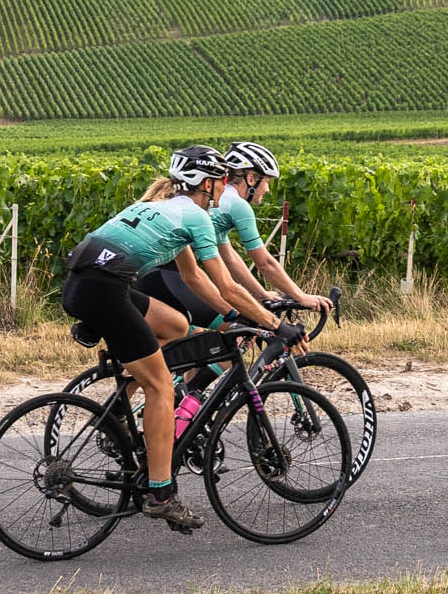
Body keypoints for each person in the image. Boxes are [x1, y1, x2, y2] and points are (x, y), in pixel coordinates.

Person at [62, 147, 292, 532]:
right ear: (207, 183)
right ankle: (161, 494)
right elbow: (227, 285)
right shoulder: (195, 216)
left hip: (86, 284)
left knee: (174, 325)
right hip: (104, 292)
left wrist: (236, 317)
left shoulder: (169, 207)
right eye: (220, 179)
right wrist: (272, 324)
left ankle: (118, 412)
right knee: (161, 388)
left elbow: (194, 279)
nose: (223, 187)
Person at [137, 138, 324, 340]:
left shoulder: (215, 202)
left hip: (155, 276)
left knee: (195, 343)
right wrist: (302, 297)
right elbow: (265, 262)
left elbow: (230, 257)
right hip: (172, 277)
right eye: (266, 181)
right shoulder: (236, 204)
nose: (268, 189)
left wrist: (261, 294)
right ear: (251, 179)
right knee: (242, 330)